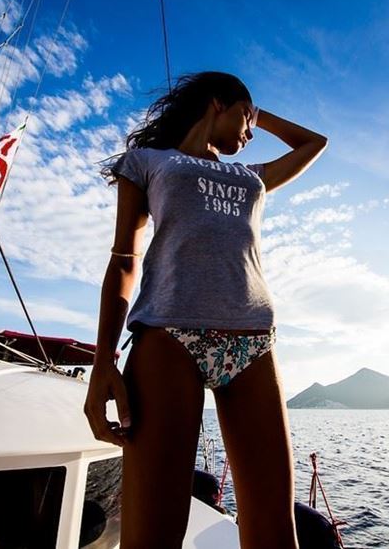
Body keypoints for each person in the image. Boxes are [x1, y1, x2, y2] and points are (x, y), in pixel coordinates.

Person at [84, 71, 328, 549]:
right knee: (152, 537)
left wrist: (256, 111)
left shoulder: (253, 176)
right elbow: (124, 262)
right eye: (244, 117)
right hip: (167, 336)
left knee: (276, 535)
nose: (250, 133)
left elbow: (313, 143)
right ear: (217, 103)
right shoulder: (148, 161)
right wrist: (102, 362)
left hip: (253, 339)